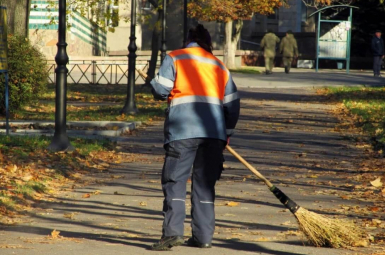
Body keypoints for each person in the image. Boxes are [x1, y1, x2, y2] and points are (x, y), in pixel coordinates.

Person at [149, 24, 240, 251]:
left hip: (182, 132)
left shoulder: (175, 58)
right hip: (214, 134)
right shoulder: (220, 66)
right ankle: (203, 237)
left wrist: (154, 81)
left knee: (175, 182)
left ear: (187, 40)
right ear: (207, 42)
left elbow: (161, 91)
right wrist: (226, 134)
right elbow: (232, 105)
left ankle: (172, 234)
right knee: (205, 185)